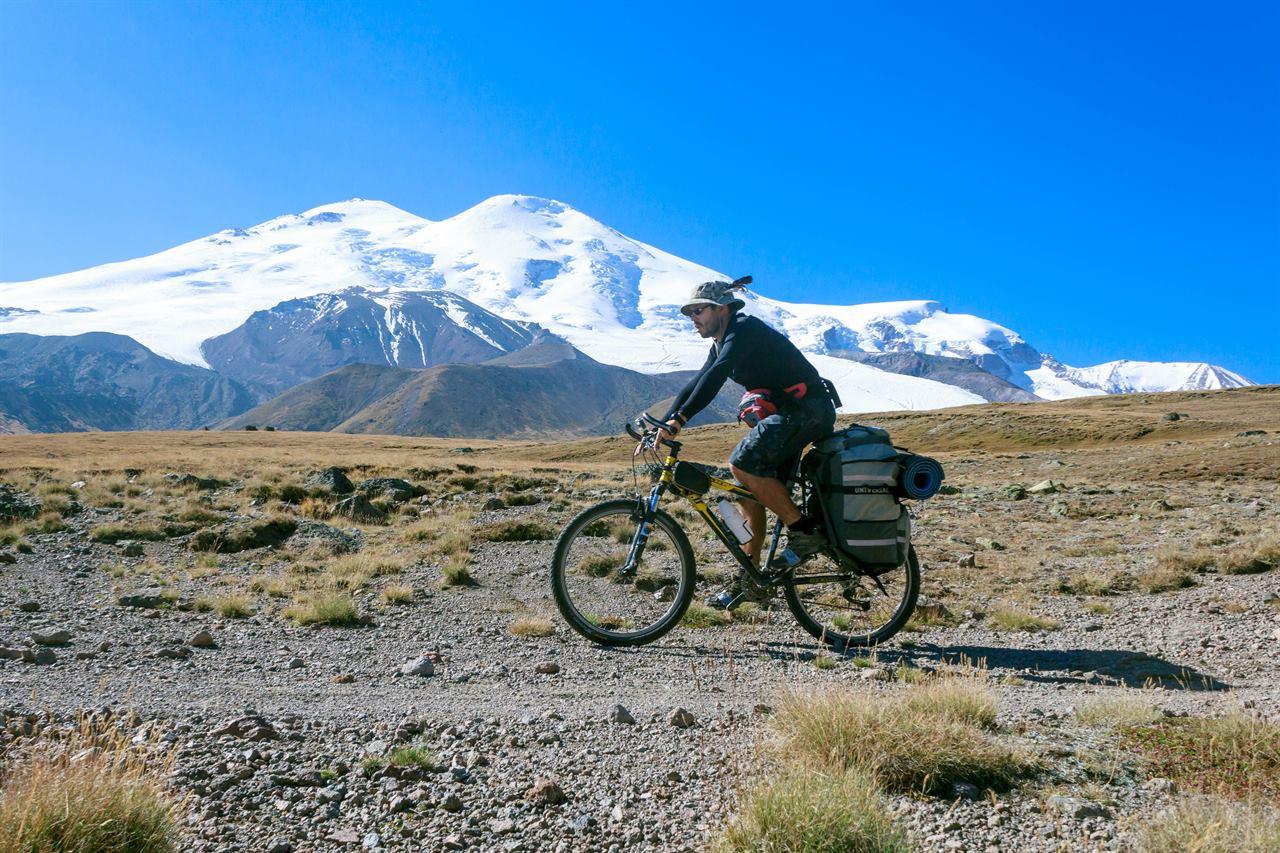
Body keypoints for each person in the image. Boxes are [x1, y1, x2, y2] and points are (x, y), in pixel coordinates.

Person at [658, 279, 837, 609]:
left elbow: (718, 375)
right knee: (748, 492)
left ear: (721, 309)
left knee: (740, 463)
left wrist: (680, 420)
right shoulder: (720, 342)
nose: (693, 318)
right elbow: (697, 381)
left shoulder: (743, 329)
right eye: (689, 313)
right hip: (790, 413)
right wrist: (663, 421)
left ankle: (804, 532)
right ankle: (751, 579)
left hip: (809, 409)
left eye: (698, 310)